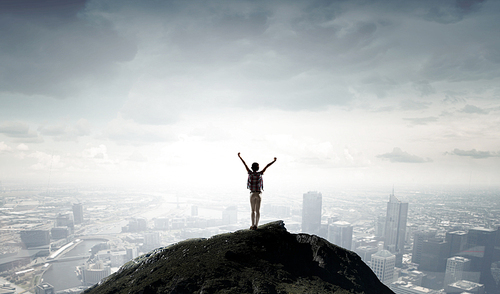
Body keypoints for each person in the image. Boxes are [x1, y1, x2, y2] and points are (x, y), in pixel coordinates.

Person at [238, 152, 277, 230]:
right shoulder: (260, 173)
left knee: (252, 210)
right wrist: (274, 161)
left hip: (252, 194)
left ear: (252, 167)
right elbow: (267, 166)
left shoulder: (250, 173)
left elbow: (244, 163)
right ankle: (256, 225)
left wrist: (239, 156)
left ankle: (252, 225)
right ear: (258, 168)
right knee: (258, 211)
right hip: (259, 194)